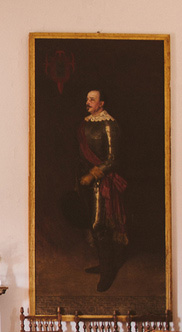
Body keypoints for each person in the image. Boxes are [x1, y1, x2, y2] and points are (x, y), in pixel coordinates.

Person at [77, 89, 128, 292]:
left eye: (92, 99)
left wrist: (93, 174)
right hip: (85, 180)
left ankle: (108, 271)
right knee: (92, 223)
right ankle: (104, 263)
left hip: (102, 181)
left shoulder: (109, 124)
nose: (88, 102)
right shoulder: (86, 122)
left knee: (100, 224)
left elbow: (113, 159)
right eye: (87, 98)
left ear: (102, 103)